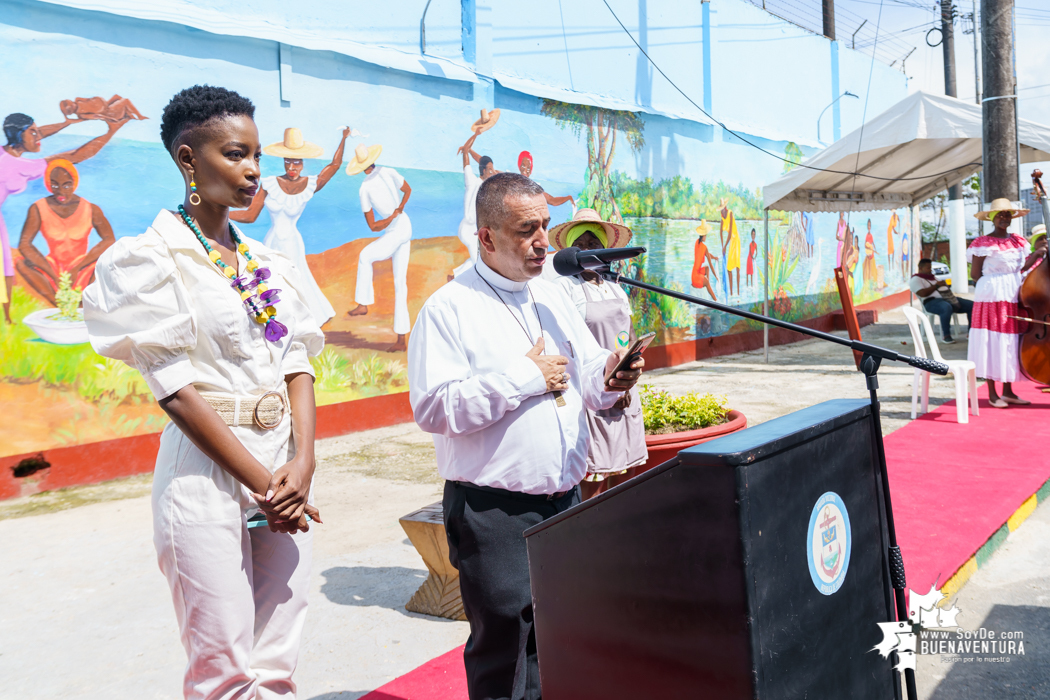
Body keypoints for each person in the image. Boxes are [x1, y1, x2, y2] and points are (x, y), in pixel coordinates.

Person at [82, 85, 324, 699]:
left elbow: (296, 357)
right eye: (236, 155)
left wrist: (303, 461)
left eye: (257, 157)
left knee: (276, 665)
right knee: (225, 672)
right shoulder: (151, 259)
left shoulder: (267, 260)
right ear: (189, 159)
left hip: (284, 469)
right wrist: (264, 486)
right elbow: (175, 391)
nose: (253, 172)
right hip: (206, 470)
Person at [407, 173, 643, 700]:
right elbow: (433, 408)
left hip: (565, 499)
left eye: (545, 226)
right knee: (505, 655)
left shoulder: (553, 296)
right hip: (494, 511)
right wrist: (525, 377)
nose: (543, 242)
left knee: (560, 640)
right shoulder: (449, 309)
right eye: (526, 230)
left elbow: (584, 375)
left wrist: (611, 377)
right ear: (487, 237)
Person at [548, 208, 647, 500]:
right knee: (594, 481)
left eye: (596, 244)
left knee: (623, 479)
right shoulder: (564, 288)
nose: (590, 250)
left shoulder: (617, 289)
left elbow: (627, 338)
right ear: (571, 251)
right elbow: (564, 346)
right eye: (583, 244)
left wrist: (629, 380)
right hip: (592, 393)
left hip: (624, 390)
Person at [1, 109, 128, 322]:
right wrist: (111, 131)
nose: (38, 136)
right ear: (18, 135)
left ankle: (6, 318)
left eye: (37, 131)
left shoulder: (9, 154)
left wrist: (67, 122)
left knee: (6, 265)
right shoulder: (21, 166)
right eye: (32, 133)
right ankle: (7, 318)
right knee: (6, 266)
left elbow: (38, 134)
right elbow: (75, 155)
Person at [231, 126, 350, 326]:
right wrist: (223, 211)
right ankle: (278, 321)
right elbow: (251, 215)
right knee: (272, 281)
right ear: (284, 162)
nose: (292, 167)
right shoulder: (269, 183)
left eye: (296, 162)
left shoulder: (311, 184)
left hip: (294, 242)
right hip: (273, 242)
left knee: (298, 280)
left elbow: (335, 165)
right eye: (288, 162)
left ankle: (305, 323)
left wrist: (344, 138)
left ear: (302, 163)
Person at [968, 198, 1043, 408]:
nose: (1004, 218)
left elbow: (1021, 269)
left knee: (1011, 340)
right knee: (992, 340)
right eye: (1000, 214)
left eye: (1008, 214)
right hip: (991, 295)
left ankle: (1008, 391)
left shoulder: (1018, 241)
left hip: (1014, 292)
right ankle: (992, 393)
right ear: (992, 218)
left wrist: (1037, 254)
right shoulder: (982, 243)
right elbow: (975, 274)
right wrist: (999, 282)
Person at [16, 159, 114, 304]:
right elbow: (24, 244)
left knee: (107, 264)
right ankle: (56, 303)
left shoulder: (91, 209)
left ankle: (83, 304)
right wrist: (53, 274)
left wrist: (79, 268)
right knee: (21, 264)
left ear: (74, 183)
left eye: (66, 185)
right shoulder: (38, 208)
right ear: (49, 184)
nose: (61, 191)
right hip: (52, 268)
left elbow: (109, 239)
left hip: (83, 268)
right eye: (55, 185)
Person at [346, 143, 412, 352]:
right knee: (400, 284)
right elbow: (408, 189)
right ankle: (401, 340)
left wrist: (392, 216)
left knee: (365, 256)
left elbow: (373, 226)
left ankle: (364, 304)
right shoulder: (388, 171)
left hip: (396, 229)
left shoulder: (364, 188)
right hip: (405, 226)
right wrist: (399, 209)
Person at [449, 125, 498, 280]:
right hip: (467, 229)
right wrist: (475, 135)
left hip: (476, 230)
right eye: (489, 169)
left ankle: (455, 275)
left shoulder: (488, 185)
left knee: (477, 260)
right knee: (481, 264)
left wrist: (470, 150)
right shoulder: (471, 180)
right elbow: (465, 154)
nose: (492, 172)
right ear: (482, 171)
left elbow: (481, 160)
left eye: (493, 169)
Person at [909, 258, 973, 344]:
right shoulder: (916, 279)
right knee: (946, 306)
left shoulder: (935, 278)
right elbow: (922, 293)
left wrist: (944, 285)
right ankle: (946, 335)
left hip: (947, 299)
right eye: (928, 268)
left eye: (930, 267)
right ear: (921, 268)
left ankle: (971, 333)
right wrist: (936, 286)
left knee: (972, 305)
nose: (930, 270)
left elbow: (944, 288)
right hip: (930, 302)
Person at [691, 221, 719, 300]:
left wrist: (714, 258)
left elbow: (708, 255)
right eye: (705, 235)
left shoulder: (697, 242)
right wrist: (716, 276)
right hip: (695, 278)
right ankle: (715, 300)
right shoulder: (704, 247)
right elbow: (710, 263)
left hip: (695, 272)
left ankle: (707, 288)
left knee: (706, 268)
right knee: (706, 281)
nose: (706, 236)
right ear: (703, 235)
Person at [720, 198, 741, 296]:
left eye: (723, 209)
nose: (722, 211)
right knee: (729, 269)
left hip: (735, 240)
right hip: (730, 242)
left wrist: (725, 246)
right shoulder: (722, 218)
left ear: (725, 208)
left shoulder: (730, 213)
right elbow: (720, 232)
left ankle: (737, 292)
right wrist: (722, 245)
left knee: (737, 267)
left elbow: (730, 233)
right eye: (721, 209)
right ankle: (731, 293)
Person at [863, 219, 877, 286]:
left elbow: (873, 243)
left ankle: (872, 281)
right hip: (868, 253)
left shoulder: (871, 235)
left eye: (870, 225)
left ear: (870, 227)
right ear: (867, 226)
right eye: (868, 225)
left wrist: (874, 247)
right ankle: (868, 281)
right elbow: (865, 244)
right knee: (867, 269)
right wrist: (867, 248)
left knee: (872, 268)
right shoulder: (867, 235)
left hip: (871, 253)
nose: (869, 227)